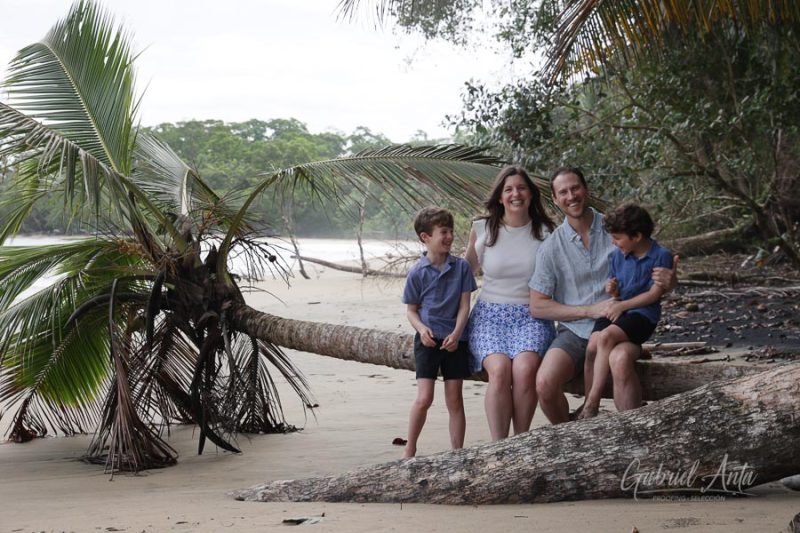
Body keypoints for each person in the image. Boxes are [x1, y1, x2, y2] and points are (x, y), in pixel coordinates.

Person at [529, 166, 678, 424]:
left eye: (575, 188)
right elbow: (537, 307)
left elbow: (650, 264)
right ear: (554, 199)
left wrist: (670, 282)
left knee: (619, 360)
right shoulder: (551, 247)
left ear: (585, 189)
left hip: (624, 322)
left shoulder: (616, 228)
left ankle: (632, 432)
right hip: (575, 332)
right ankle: (573, 436)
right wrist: (589, 310)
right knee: (543, 383)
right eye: (563, 192)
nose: (571, 196)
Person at [465, 166, 556, 441]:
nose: (515, 194)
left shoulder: (546, 232)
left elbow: (563, 277)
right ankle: (498, 444)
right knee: (501, 370)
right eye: (509, 189)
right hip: (489, 315)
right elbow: (462, 276)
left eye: (521, 188)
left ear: (531, 194)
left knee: (525, 368)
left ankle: (519, 442)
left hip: (532, 314)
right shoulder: (482, 229)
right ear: (500, 197)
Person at [578, 202, 673, 419]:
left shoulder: (661, 255)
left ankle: (592, 402)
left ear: (637, 236)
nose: (613, 242)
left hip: (642, 316)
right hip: (621, 310)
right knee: (594, 344)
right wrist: (613, 291)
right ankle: (587, 399)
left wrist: (621, 305)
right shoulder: (617, 256)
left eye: (618, 237)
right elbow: (618, 293)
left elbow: (653, 295)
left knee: (606, 338)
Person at [401, 206, 478, 458]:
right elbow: (411, 311)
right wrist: (422, 330)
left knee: (455, 399)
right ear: (426, 237)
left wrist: (457, 334)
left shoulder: (462, 268)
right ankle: (410, 449)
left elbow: (465, 305)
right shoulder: (417, 272)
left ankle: (457, 452)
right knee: (424, 398)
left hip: (456, 340)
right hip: (428, 341)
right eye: (443, 232)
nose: (449, 237)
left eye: (451, 231)